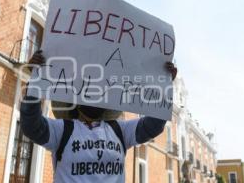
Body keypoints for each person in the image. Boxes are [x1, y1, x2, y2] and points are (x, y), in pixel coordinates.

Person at [20, 50, 177, 183]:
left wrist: (165, 85)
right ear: (77, 100)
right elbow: (31, 125)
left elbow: (154, 125)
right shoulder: (62, 129)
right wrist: (36, 79)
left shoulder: (120, 130)